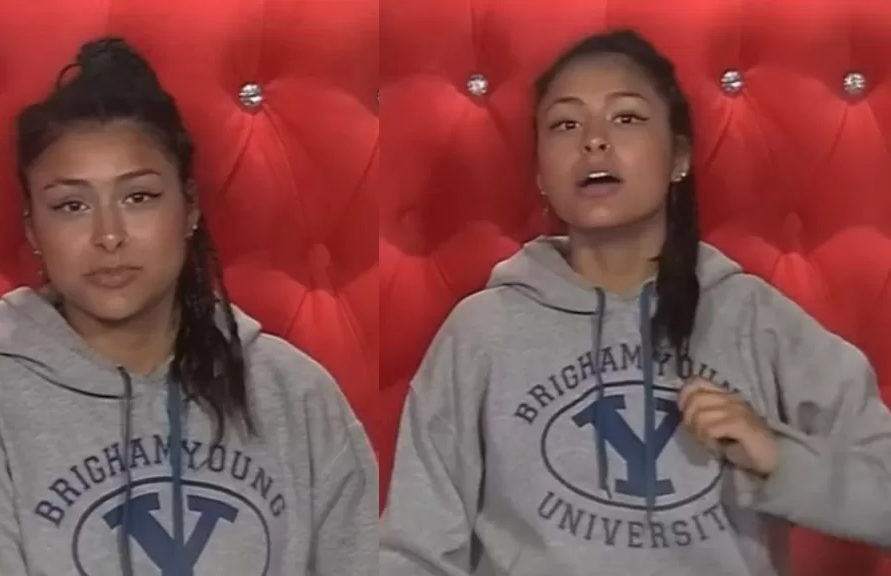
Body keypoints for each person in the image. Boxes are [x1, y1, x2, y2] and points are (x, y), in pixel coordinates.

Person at [378, 29, 891, 576]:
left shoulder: (753, 318)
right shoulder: (480, 331)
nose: (594, 142)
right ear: (541, 175)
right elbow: (414, 548)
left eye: (626, 118)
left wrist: (779, 457)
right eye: (565, 124)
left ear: (678, 158)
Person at [0, 37, 377, 576]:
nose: (109, 236)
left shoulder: (293, 392)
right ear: (33, 230)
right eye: (71, 205)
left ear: (189, 208)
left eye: (139, 197)